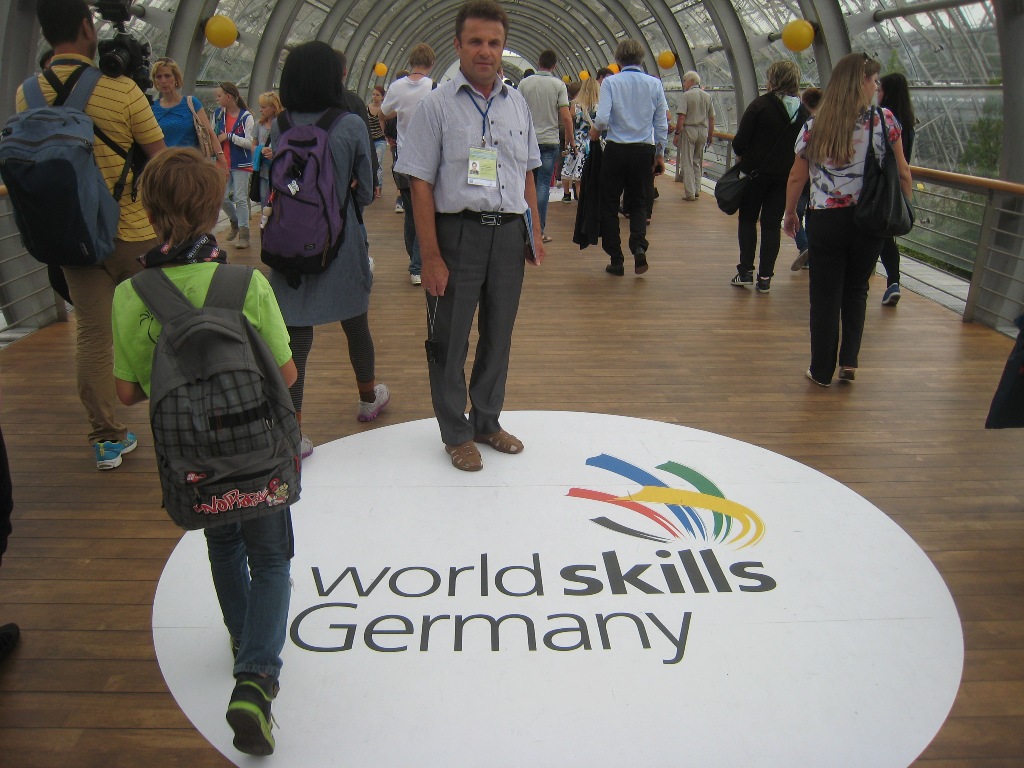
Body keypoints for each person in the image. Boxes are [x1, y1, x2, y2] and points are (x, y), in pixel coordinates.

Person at [111, 148, 296, 757]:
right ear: (216, 208)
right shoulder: (246, 284)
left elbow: (127, 392)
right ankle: (256, 676)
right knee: (271, 557)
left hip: (194, 460)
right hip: (256, 450)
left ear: (147, 212)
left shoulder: (131, 294)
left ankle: (243, 639)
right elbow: (287, 374)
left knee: (224, 545)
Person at [16, 0, 166, 470]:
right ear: (87, 27)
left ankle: (106, 438)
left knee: (94, 337)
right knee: (165, 322)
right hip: (132, 231)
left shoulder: (27, 93)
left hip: (73, 234)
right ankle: (176, 414)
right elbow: (160, 158)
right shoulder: (121, 90)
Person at [397, 0, 544, 472]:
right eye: (476, 41)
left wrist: (535, 232)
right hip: (456, 234)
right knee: (449, 339)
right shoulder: (436, 106)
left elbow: (527, 172)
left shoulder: (516, 102)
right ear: (458, 45)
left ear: (503, 48)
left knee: (498, 334)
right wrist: (430, 256)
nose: (486, 51)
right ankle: (455, 432)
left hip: (508, 235)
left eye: (494, 43)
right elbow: (419, 183)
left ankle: (486, 421)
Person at [268, 41, 389, 459]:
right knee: (356, 323)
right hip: (341, 239)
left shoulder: (280, 125)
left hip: (290, 242)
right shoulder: (350, 124)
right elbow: (367, 191)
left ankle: (295, 431)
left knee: (296, 337)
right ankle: (368, 398)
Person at [783, 53, 913, 386]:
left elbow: (797, 176)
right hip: (868, 218)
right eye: (874, 80)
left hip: (825, 219)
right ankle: (849, 361)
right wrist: (903, 208)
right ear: (861, 83)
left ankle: (821, 370)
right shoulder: (884, 121)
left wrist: (790, 212)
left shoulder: (815, 125)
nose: (876, 87)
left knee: (824, 295)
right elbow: (902, 173)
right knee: (857, 289)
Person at [730, 60, 807, 294]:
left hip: (755, 174)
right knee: (771, 224)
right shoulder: (803, 113)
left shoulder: (760, 106)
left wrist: (746, 154)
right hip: (784, 177)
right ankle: (765, 278)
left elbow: (739, 142)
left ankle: (745, 271)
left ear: (772, 79)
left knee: (748, 219)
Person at [592, 39, 668, 277]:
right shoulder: (654, 84)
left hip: (616, 149)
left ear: (617, 60)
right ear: (641, 59)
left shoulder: (610, 83)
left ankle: (616, 259)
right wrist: (660, 154)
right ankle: (638, 246)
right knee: (638, 201)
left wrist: (596, 131)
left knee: (609, 203)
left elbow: (602, 119)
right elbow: (661, 124)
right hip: (643, 150)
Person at [382, 44, 436, 285]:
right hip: (427, 158)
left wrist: (401, 111)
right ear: (431, 63)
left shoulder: (396, 87)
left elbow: (384, 113)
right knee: (425, 212)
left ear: (411, 61)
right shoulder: (434, 87)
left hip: (402, 157)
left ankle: (414, 261)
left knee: (411, 214)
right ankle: (416, 266)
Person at [518, 49, 576, 243]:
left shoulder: (525, 84)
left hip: (527, 140)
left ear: (538, 62)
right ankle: (539, 231)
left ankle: (524, 229)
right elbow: (566, 116)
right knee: (543, 185)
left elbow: (517, 111)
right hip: (549, 141)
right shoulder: (558, 85)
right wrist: (571, 140)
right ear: (554, 66)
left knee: (525, 184)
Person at [877, 72, 916, 307]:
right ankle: (893, 281)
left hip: (878, 187)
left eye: (880, 89)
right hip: (896, 189)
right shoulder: (908, 125)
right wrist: (906, 199)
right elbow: (904, 165)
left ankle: (869, 279)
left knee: (877, 235)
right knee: (886, 236)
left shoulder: (883, 122)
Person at [150, 57, 226, 172]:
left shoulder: (191, 103)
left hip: (190, 168)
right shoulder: (153, 108)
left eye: (167, 76)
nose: (163, 81)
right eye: (158, 77)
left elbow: (210, 134)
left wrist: (222, 162)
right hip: (164, 168)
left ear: (176, 78)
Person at [213, 82, 255, 249]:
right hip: (223, 163)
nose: (217, 99)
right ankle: (235, 221)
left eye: (219, 96)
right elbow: (213, 134)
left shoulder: (246, 117)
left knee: (240, 197)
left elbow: (250, 142)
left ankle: (244, 234)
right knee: (221, 197)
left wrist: (230, 136)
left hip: (241, 163)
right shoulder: (218, 115)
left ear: (228, 97)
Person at [790, 86, 822, 271]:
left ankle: (804, 246)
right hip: (819, 180)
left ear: (804, 102)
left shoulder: (804, 122)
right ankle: (812, 250)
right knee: (812, 214)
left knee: (796, 212)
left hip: (802, 176)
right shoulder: (828, 123)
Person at [674, 71, 715, 201]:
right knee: (697, 161)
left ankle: (690, 192)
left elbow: (682, 116)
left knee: (687, 161)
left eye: (685, 81)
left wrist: (677, 133)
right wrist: (710, 135)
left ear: (691, 81)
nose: (684, 84)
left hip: (689, 130)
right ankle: (697, 189)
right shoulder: (707, 96)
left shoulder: (687, 96)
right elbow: (711, 118)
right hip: (703, 131)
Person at [561, 80, 597, 202]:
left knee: (578, 179)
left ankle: (581, 204)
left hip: (578, 143)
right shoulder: (600, 106)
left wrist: (567, 143)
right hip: (594, 142)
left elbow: (569, 127)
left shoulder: (575, 105)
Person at [252, 91, 283, 207]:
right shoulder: (259, 125)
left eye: (264, 107)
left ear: (274, 108)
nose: (261, 110)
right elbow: (253, 146)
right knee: (264, 201)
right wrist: (260, 149)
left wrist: (275, 153)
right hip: (263, 170)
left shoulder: (282, 125)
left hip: (277, 171)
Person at [367, 85, 387, 196]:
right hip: (369, 140)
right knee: (369, 163)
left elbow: (384, 124)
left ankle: (378, 187)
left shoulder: (383, 109)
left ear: (382, 97)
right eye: (373, 94)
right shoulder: (367, 108)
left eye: (377, 95)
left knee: (378, 162)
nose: (375, 97)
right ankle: (372, 187)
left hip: (380, 140)